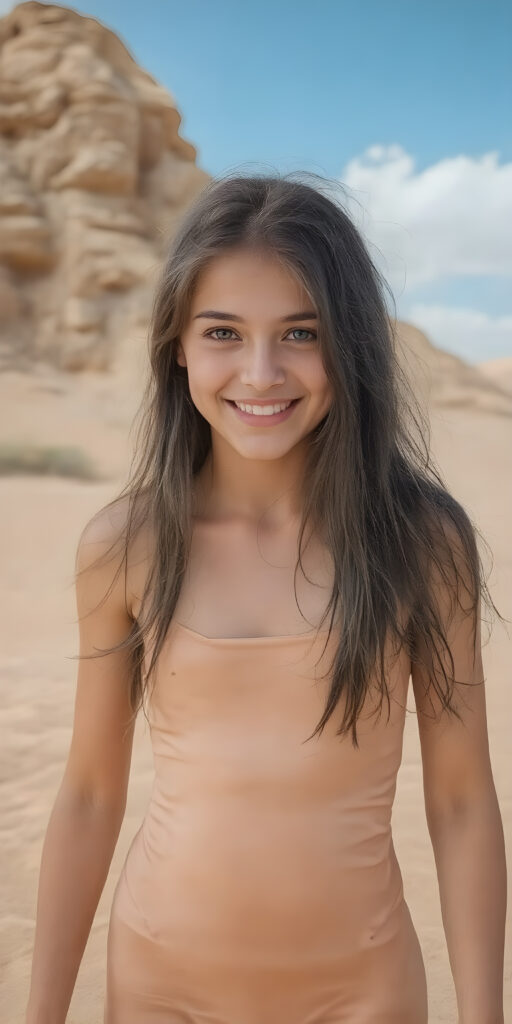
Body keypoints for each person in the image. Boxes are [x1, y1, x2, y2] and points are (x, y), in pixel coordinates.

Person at [25, 172, 506, 1024]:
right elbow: (92, 794)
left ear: (349, 344)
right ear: (177, 345)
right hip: (159, 993)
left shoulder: (422, 543)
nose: (260, 371)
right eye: (223, 332)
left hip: (361, 997)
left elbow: (462, 801)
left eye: (300, 333)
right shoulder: (124, 546)